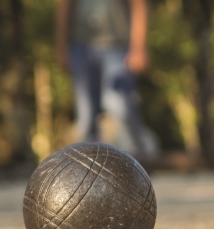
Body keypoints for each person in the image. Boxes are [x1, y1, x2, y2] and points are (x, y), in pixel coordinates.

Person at [56, 0, 150, 160]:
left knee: (119, 105)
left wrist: (139, 48)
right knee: (86, 114)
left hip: (117, 47)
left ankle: (139, 161)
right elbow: (64, 6)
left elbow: (139, 5)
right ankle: (89, 166)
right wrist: (61, 46)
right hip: (81, 47)